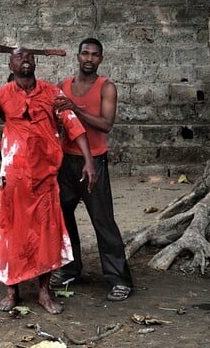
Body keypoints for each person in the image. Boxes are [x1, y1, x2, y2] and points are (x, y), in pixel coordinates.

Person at [0, 46, 97, 314]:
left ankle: (43, 292)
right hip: (14, 176)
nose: (24, 59)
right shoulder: (2, 96)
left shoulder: (52, 93)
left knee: (46, 232)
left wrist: (89, 160)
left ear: (35, 63)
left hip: (46, 176)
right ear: (10, 65)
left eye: (29, 56)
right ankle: (12, 290)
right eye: (18, 56)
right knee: (11, 231)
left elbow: (72, 123)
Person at [52, 38, 134, 301]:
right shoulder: (63, 86)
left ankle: (119, 279)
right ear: (77, 56)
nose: (89, 58)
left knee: (103, 221)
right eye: (85, 53)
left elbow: (106, 124)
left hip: (94, 162)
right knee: (63, 218)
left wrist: (75, 108)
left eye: (94, 55)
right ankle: (70, 268)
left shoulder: (105, 87)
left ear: (101, 59)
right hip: (66, 162)